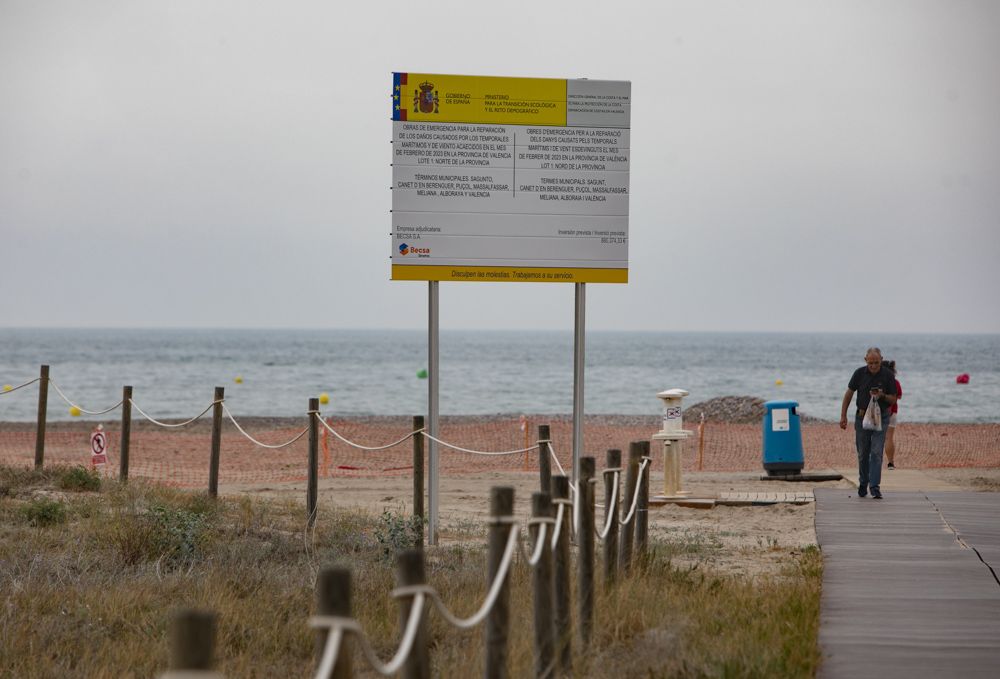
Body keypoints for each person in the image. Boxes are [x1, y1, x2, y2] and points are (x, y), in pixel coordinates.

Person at [840, 347, 897, 499]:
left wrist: (882, 395)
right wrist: (843, 416)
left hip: (882, 417)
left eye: (876, 363)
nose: (873, 366)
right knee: (863, 453)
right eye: (870, 363)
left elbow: (893, 399)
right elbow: (848, 394)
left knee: (876, 452)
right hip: (861, 417)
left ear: (881, 360)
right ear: (865, 360)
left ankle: (874, 486)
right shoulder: (859, 373)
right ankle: (863, 483)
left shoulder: (888, 375)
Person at [884, 359, 902, 469]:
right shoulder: (896, 382)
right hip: (893, 411)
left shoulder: (879, 381)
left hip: (879, 412)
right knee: (889, 438)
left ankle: (874, 462)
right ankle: (890, 463)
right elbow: (899, 396)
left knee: (876, 437)